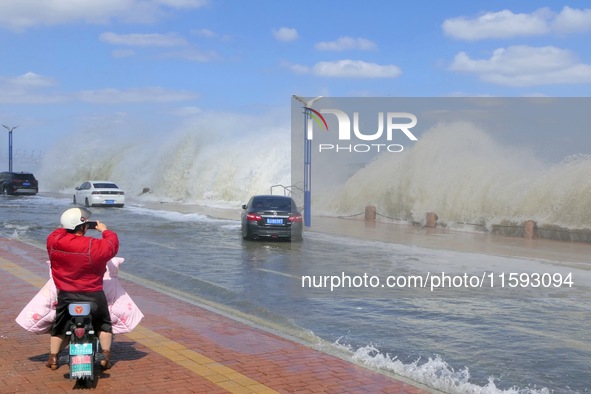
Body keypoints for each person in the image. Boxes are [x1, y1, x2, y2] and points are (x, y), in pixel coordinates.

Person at [45, 207, 119, 371]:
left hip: (66, 294)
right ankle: (105, 357)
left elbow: (58, 232)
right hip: (93, 294)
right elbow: (112, 245)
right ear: (83, 227)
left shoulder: (54, 241)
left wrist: (68, 225)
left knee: (60, 325)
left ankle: (54, 357)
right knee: (104, 325)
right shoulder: (94, 245)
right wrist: (104, 230)